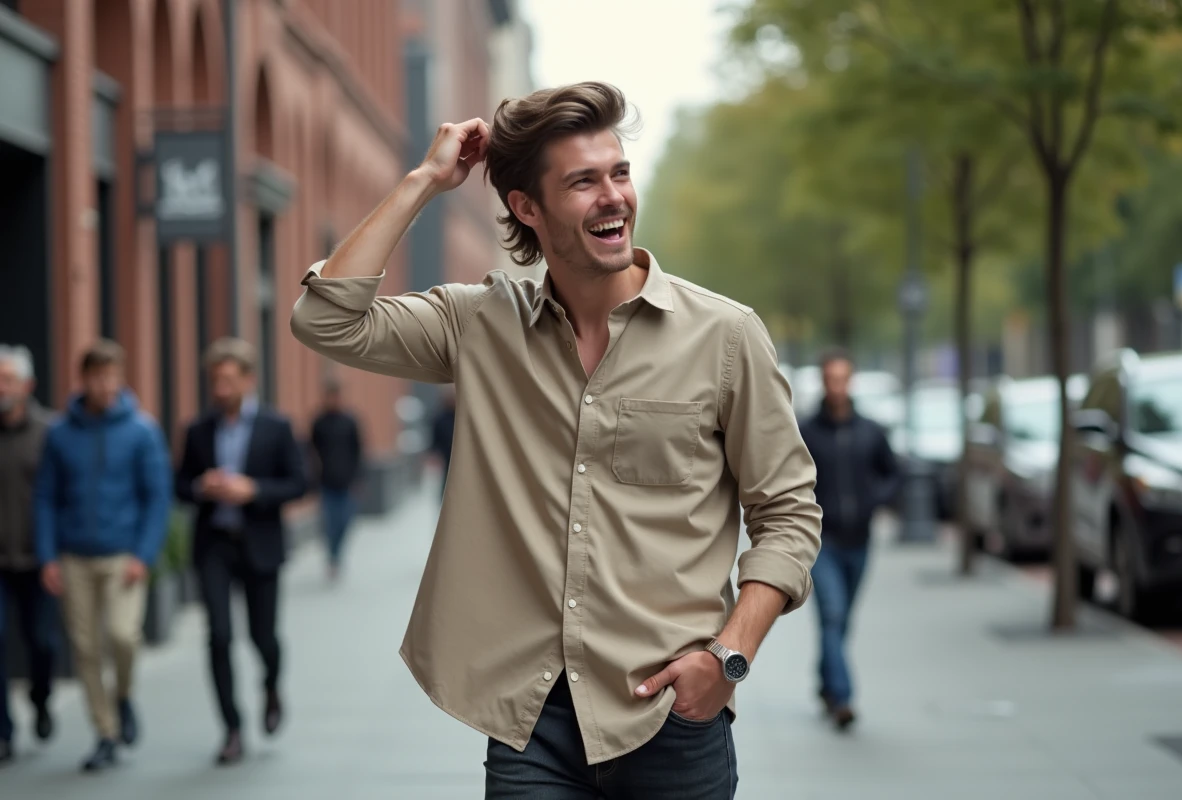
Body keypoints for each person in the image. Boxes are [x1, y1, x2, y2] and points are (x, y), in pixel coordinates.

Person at [291, 81, 823, 799]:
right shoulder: (481, 325)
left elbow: (788, 513)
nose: (613, 197)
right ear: (527, 208)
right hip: (532, 721)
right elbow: (326, 320)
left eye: (619, 173)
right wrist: (424, 181)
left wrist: (728, 659)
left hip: (671, 714)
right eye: (582, 182)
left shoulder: (724, 336)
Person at [34, 340, 171, 772]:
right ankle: (105, 732)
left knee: (123, 636)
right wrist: (47, 556)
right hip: (73, 556)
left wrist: (144, 554)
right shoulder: (60, 433)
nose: (105, 385)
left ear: (121, 378)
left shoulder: (142, 431)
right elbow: (45, 497)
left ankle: (124, 695)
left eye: (111, 376)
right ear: (84, 380)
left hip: (123, 556)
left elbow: (157, 497)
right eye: (97, 377)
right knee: (86, 648)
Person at [175, 338, 307, 766]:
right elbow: (180, 484)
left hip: (261, 544)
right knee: (218, 635)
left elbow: (300, 482)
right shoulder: (198, 430)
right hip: (214, 544)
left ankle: (271, 684)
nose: (221, 389)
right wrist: (202, 486)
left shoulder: (276, 426)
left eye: (229, 380)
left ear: (249, 380)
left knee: (262, 637)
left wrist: (254, 490)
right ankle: (231, 728)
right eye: (215, 381)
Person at [798, 349, 900, 732]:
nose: (836, 386)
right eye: (830, 379)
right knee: (833, 613)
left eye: (842, 379)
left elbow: (893, 473)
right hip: (821, 540)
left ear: (851, 381)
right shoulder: (806, 432)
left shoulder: (870, 431)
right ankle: (842, 698)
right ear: (823, 382)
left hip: (860, 540)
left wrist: (875, 500)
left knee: (841, 620)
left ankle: (826, 682)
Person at [0, 345, 57, 764]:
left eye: (7, 380)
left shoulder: (50, 432)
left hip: (39, 560)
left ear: (27, 385)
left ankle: (40, 698)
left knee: (43, 643)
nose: (1, 388)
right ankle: (3, 731)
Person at [309, 378, 363, 579]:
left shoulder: (350, 422)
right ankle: (333, 557)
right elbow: (311, 450)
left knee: (345, 522)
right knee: (330, 523)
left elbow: (358, 450)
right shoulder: (319, 422)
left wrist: (358, 478)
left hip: (347, 482)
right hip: (326, 481)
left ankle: (337, 553)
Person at [427, 387, 456, 498]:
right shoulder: (440, 418)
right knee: (446, 482)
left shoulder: (459, 417)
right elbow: (435, 439)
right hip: (446, 456)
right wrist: (434, 455)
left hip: (458, 455)